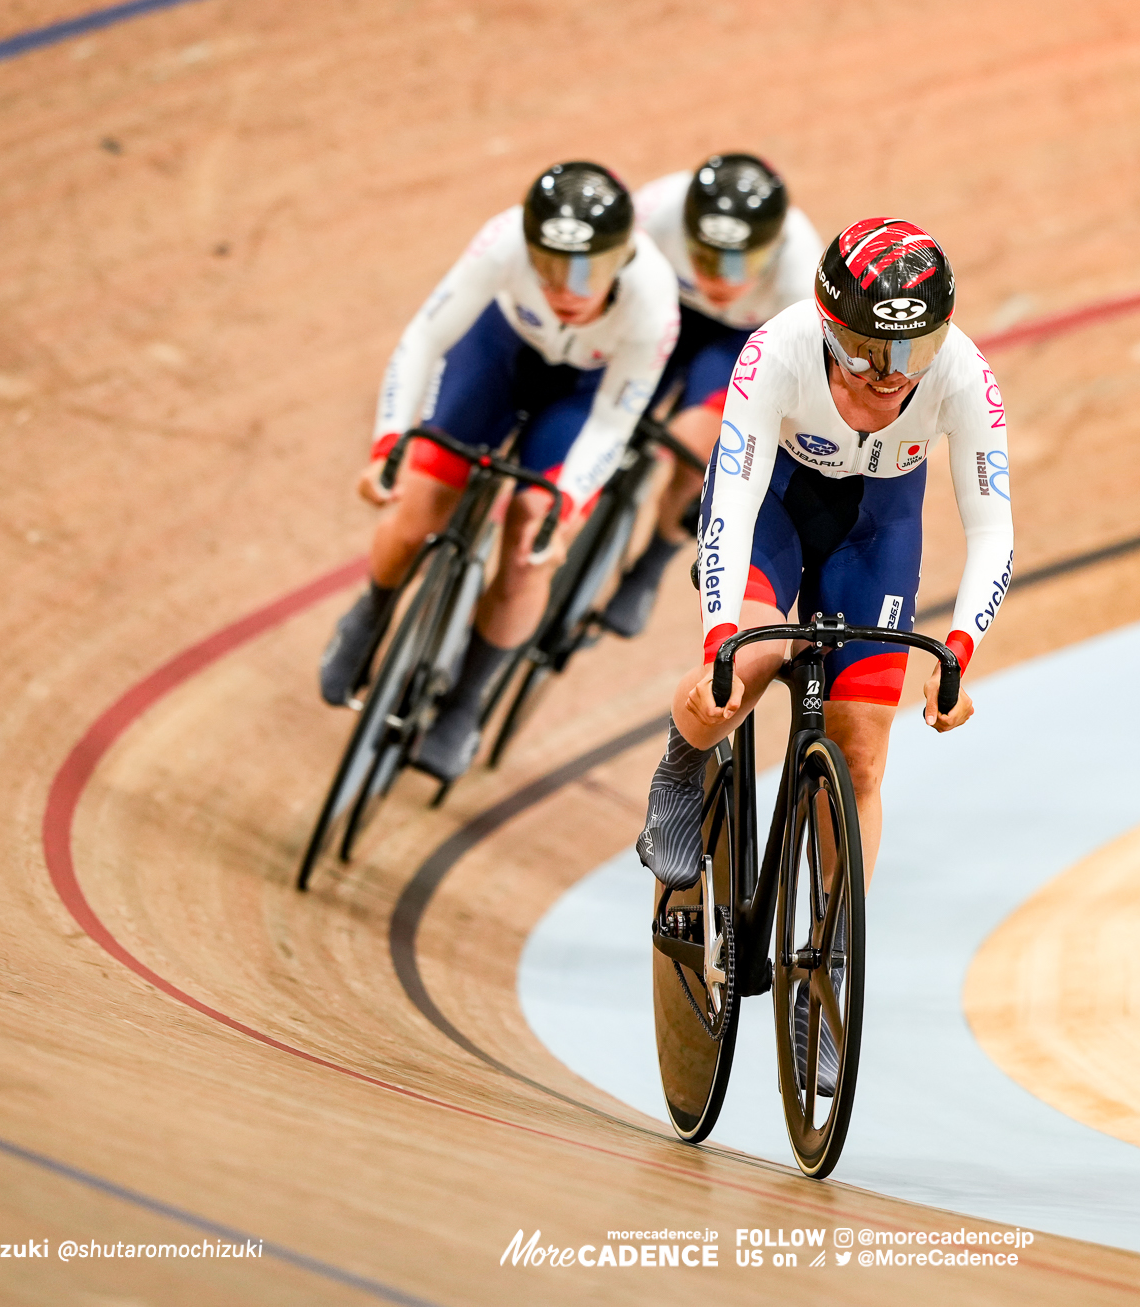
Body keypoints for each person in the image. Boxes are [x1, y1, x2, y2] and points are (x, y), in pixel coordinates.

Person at [636, 217, 1015, 1088]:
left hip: (875, 529)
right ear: (824, 323)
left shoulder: (962, 373)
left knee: (865, 754)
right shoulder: (776, 353)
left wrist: (958, 648)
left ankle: (828, 966)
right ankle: (677, 772)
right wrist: (722, 636)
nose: (888, 376)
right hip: (771, 506)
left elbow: (992, 527)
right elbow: (727, 500)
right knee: (747, 672)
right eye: (863, 348)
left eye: (908, 351)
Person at [318, 161, 679, 780]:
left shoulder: (653, 301)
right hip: (501, 350)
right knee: (420, 501)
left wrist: (564, 506)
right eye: (550, 267)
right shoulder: (503, 239)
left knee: (531, 533)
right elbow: (424, 341)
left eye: (587, 270)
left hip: (583, 395)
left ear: (620, 258)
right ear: (528, 249)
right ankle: (372, 610)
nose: (566, 287)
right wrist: (387, 447)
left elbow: (613, 425)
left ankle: (465, 703)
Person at [596, 153, 823, 638]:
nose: (721, 279)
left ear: (775, 247)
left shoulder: (802, 279)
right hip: (667, 310)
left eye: (743, 264)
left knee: (695, 445)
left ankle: (650, 565)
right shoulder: (652, 211)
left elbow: (796, 389)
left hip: (739, 338)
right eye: (707, 258)